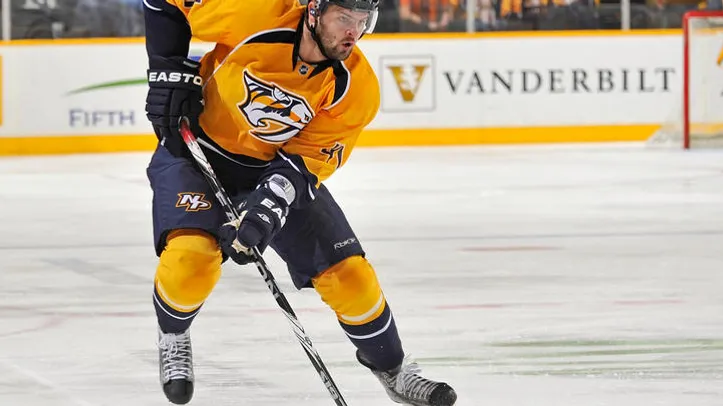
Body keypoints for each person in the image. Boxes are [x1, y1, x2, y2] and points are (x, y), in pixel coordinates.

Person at [142, 0, 458, 405]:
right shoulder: (255, 13)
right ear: (313, 10)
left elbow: (300, 168)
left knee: (351, 278)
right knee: (191, 261)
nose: (353, 32)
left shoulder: (355, 88)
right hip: (197, 153)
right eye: (343, 18)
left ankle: (394, 370)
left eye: (362, 21)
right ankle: (173, 334)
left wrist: (263, 215)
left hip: (273, 170)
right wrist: (167, 67)